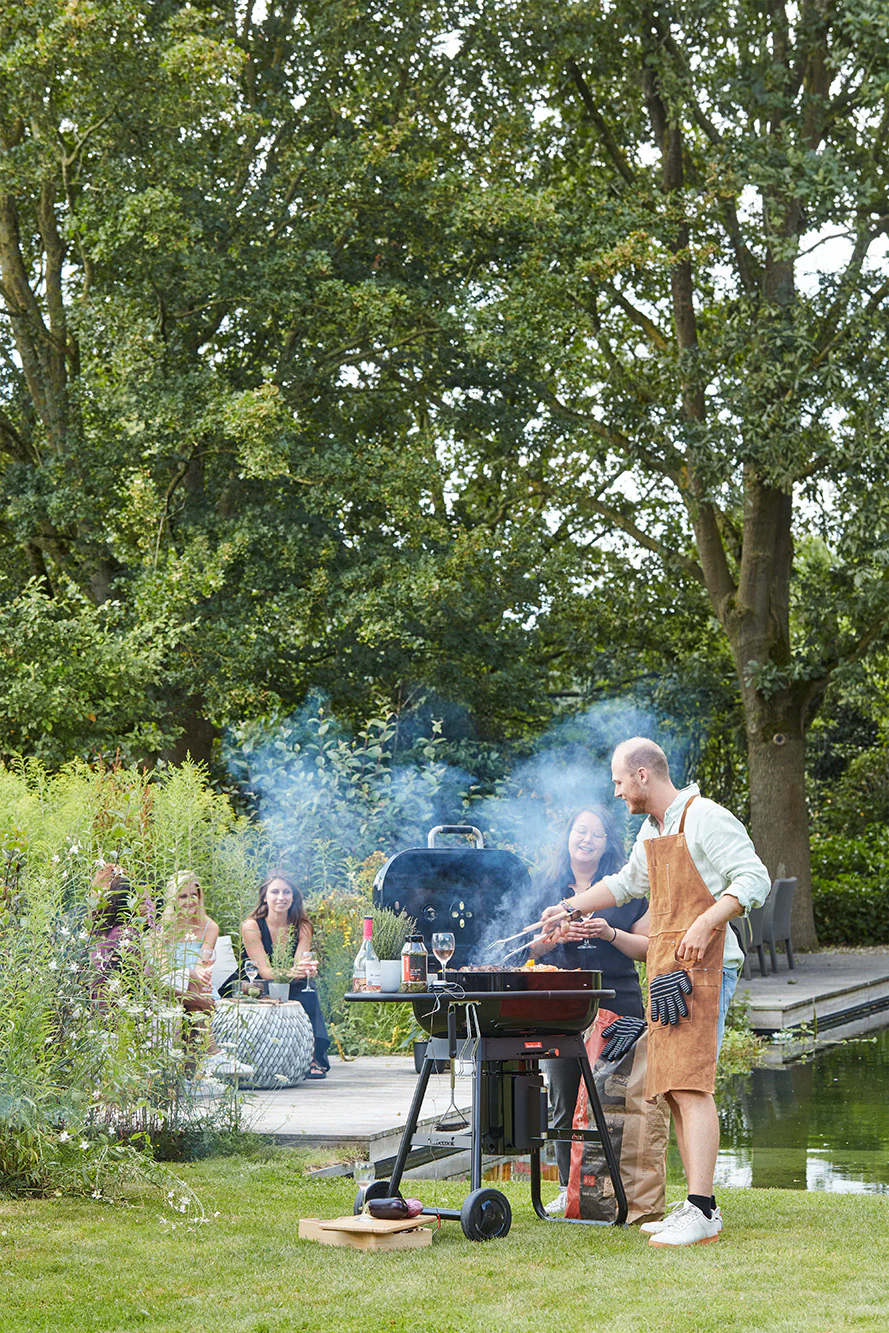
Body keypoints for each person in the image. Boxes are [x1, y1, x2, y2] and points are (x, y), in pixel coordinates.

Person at [540, 737, 769, 1247]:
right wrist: (571, 908)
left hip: (707, 969)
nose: (617, 791)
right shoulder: (653, 829)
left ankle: (704, 1209)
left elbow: (755, 878)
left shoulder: (705, 816)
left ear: (643, 775)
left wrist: (709, 921)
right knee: (669, 1086)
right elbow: (623, 885)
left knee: (692, 1085)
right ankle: (695, 1206)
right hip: (668, 971)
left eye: (620, 781)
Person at [531, 805, 649, 1216]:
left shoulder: (625, 887)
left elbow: (650, 948)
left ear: (607, 844)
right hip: (563, 1005)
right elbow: (529, 949)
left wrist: (609, 932)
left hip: (618, 1003)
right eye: (580, 830)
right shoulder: (547, 887)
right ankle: (569, 1188)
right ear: (568, 836)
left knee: (615, 1099)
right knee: (565, 1098)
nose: (586, 839)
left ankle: (620, 1189)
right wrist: (549, 938)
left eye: (596, 834)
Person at [157, 871, 252, 1081]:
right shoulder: (164, 928)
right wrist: (190, 975)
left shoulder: (209, 926)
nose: (189, 901)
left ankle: (191, 1076)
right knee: (192, 987)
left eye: (194, 895)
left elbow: (203, 963)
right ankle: (214, 1054)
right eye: (183, 896)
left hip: (196, 988)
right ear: (173, 898)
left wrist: (199, 975)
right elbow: (164, 969)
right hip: (171, 985)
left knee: (192, 998)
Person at [239, 874, 331, 1079]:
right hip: (255, 981)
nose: (281, 897)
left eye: (286, 892)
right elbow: (263, 970)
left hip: (289, 981)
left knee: (309, 991)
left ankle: (313, 1057)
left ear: (293, 897)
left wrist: (307, 970)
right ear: (264, 897)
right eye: (275, 892)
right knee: (277, 986)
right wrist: (295, 972)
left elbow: (301, 962)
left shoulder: (302, 926)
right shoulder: (252, 925)